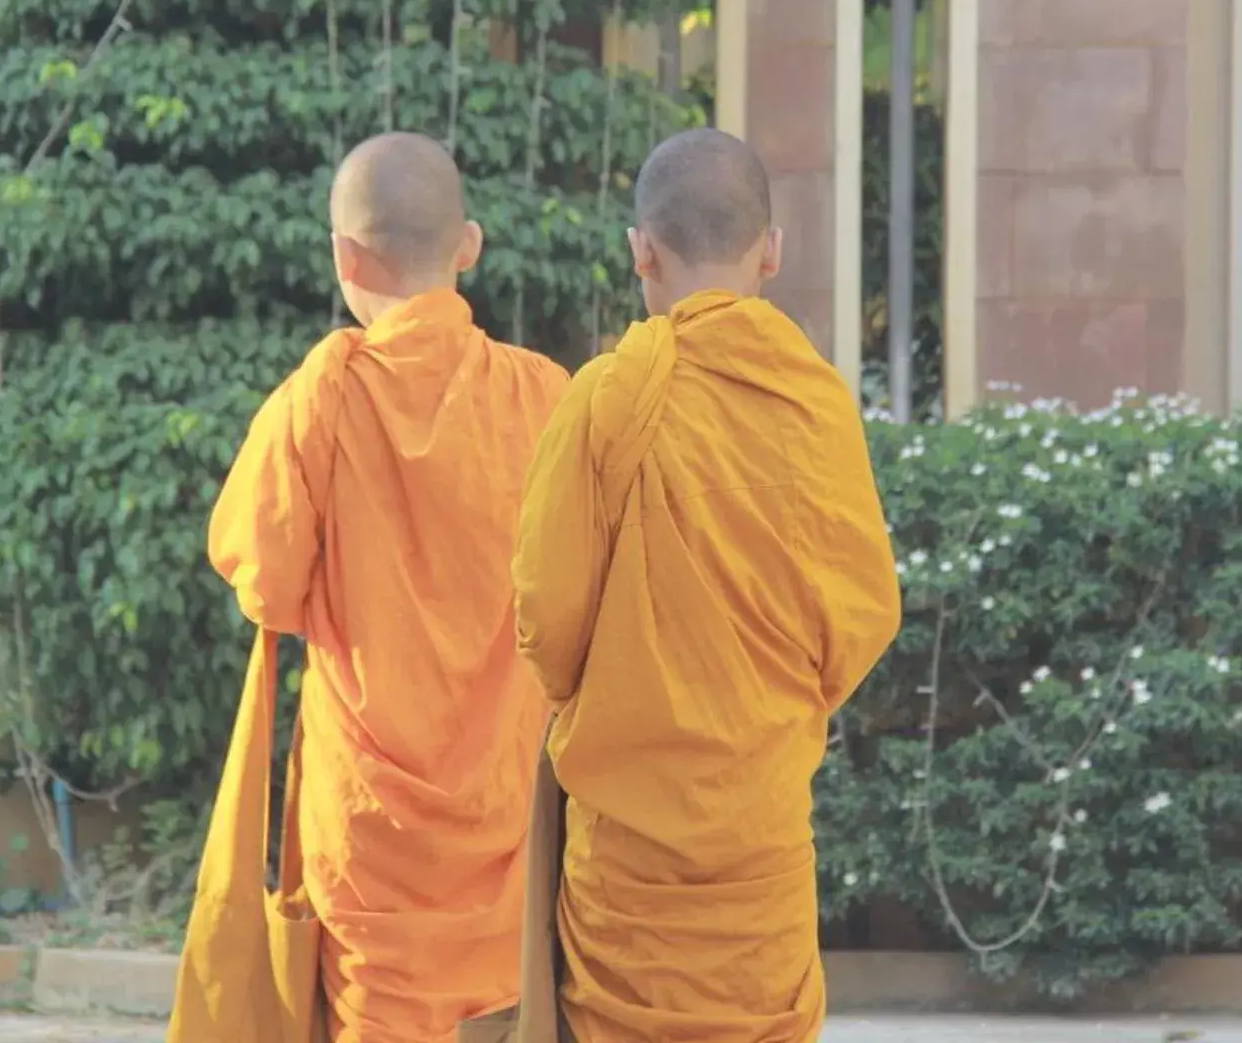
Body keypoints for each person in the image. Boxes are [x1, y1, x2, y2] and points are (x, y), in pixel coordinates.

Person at [512, 127, 903, 1043]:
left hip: (627, 866)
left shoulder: (606, 399)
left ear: (639, 251)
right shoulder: (814, 406)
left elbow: (546, 617)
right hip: (758, 836)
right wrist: (764, 714)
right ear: (772, 249)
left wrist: (617, 702)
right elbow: (862, 616)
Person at [208, 131, 569, 1043]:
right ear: (469, 246)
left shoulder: (318, 401)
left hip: (372, 832)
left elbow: (262, 583)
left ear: (343, 256)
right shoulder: (546, 400)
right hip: (507, 809)